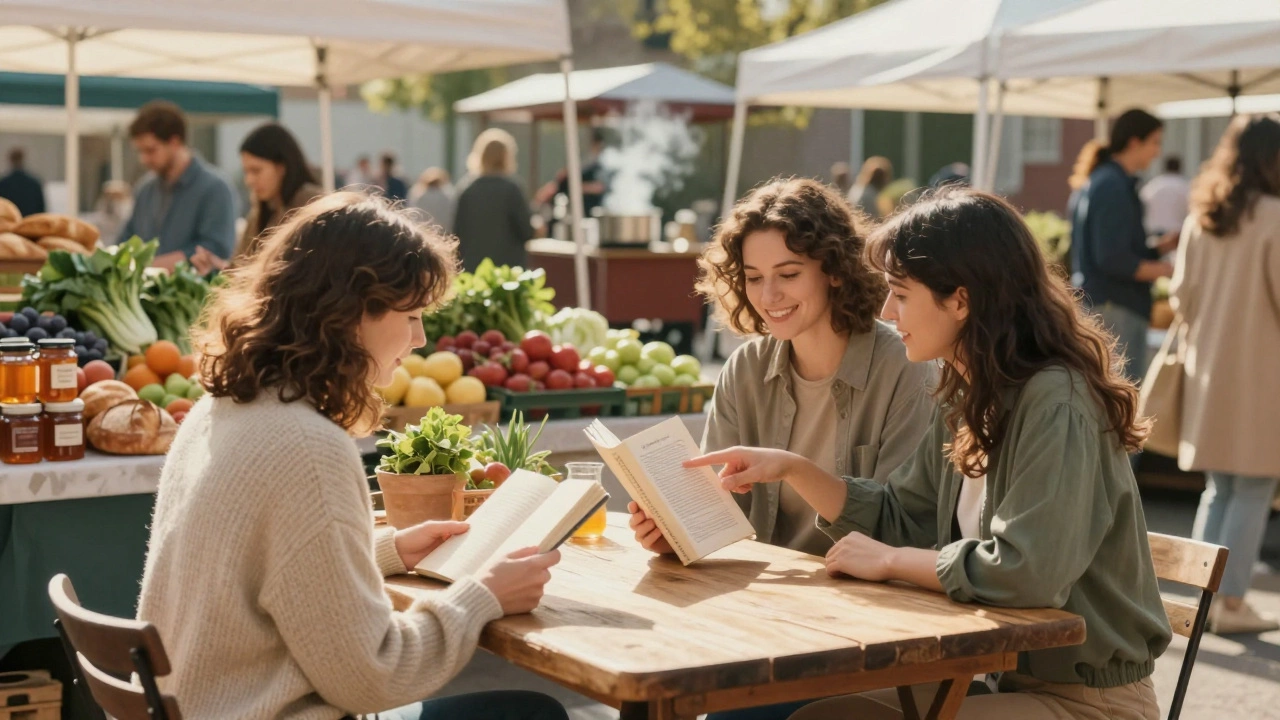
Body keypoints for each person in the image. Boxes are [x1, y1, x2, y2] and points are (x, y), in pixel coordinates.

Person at [678, 187, 1171, 720]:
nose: (887, 309)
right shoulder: (970, 393)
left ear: (960, 299)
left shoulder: (1057, 401)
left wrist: (891, 561)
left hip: (1086, 701)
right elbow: (899, 514)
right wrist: (793, 468)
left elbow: (1030, 571)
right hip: (1003, 680)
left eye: (902, 293)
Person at [136, 191, 568, 720]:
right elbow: (374, 676)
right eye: (410, 315)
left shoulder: (220, 406)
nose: (420, 337)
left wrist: (385, 551)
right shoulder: (307, 446)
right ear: (348, 313)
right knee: (528, 713)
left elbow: (259, 574)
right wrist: (483, 596)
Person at [629, 177, 937, 720]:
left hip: (863, 631)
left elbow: (905, 529)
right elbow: (721, 517)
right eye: (753, 278)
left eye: (789, 275)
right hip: (760, 620)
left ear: (835, 270)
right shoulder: (746, 371)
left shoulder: (903, 368)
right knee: (642, 683)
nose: (769, 297)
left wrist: (797, 472)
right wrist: (674, 531)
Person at [1173, 114, 1280, 635]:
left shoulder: (1202, 218)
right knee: (1254, 488)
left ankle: (1201, 598)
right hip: (1264, 375)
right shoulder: (1276, 217)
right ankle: (1231, 604)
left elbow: (1180, 298)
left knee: (1219, 489)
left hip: (1210, 372)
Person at [1068, 109, 1176, 382]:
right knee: (1120, 401)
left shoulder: (1106, 181)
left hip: (1112, 305)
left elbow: (1116, 250)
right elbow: (1113, 259)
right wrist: (1168, 270)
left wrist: (1160, 248)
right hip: (1115, 308)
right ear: (1134, 142)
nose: (1157, 152)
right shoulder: (1111, 185)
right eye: (1155, 142)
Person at [119, 101, 237, 270]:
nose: (143, 159)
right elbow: (126, 240)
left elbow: (215, 249)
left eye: (150, 150)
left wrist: (149, 268)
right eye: (140, 151)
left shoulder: (216, 189)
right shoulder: (145, 189)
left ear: (175, 142)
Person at [209, 122, 324, 270]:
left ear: (281, 167)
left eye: (256, 171)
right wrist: (217, 267)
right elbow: (239, 270)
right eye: (246, 172)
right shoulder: (258, 214)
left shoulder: (313, 205)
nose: (249, 180)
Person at [453, 129, 533, 272]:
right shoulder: (512, 189)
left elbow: (456, 232)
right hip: (507, 273)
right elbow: (526, 230)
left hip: (473, 270)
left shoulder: (466, 188)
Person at [534, 128, 608, 218]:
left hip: (589, 212)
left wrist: (578, 187)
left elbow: (599, 187)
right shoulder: (581, 166)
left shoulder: (598, 165)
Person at [1140, 156, 1191, 237]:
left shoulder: (1152, 186)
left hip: (1154, 234)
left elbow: (1141, 205)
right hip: (1177, 235)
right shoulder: (1186, 187)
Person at [0, 148, 46, 217]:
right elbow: (41, 209)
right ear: (22, 159)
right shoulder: (34, 183)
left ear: (11, 160)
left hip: (11, 224)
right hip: (29, 223)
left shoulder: (3, 183)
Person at [85, 180, 132, 246]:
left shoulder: (128, 218)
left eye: (116, 196)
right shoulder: (98, 219)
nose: (111, 200)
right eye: (109, 196)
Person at [410, 167, 455, 235]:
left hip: (423, 232)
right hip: (442, 233)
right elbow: (450, 217)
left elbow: (414, 216)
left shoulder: (419, 196)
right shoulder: (446, 197)